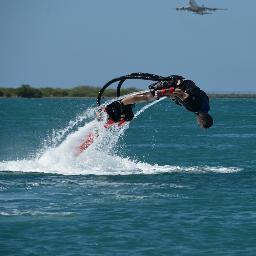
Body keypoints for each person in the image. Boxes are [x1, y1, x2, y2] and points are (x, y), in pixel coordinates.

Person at [105, 76, 213, 129]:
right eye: (199, 124)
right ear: (201, 120)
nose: (197, 122)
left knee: (150, 95)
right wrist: (163, 92)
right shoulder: (194, 107)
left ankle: (126, 106)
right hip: (173, 85)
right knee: (148, 97)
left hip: (180, 82)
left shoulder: (206, 105)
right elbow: (180, 93)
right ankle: (118, 105)